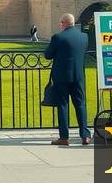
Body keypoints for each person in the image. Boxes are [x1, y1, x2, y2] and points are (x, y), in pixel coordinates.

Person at [44, 13, 91, 145]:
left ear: (64, 23)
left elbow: (48, 55)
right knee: (80, 104)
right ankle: (85, 136)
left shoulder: (58, 37)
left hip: (62, 76)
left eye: (61, 23)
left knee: (63, 105)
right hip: (78, 76)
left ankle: (64, 137)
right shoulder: (84, 36)